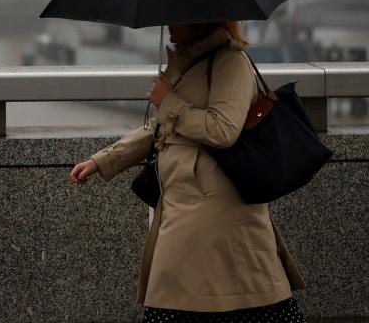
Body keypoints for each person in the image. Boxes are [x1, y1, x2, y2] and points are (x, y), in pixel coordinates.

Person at [69, 22, 306, 322]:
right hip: (185, 201)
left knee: (195, 299)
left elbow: (223, 130)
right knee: (184, 296)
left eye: (177, 17)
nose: (169, 24)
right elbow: (161, 128)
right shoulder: (191, 63)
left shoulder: (230, 61)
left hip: (214, 206)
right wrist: (103, 160)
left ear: (201, 18)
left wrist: (169, 100)